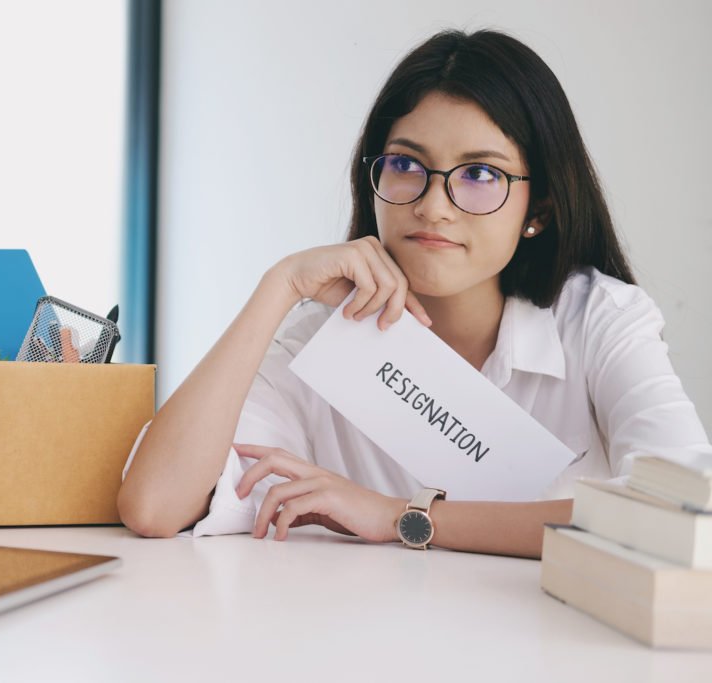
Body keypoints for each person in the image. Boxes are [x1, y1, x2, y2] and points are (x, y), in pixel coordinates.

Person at [117, 29, 712, 558]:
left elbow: (683, 521)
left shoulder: (599, 319)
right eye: (406, 164)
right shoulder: (320, 338)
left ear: (541, 209)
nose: (433, 206)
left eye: (480, 174)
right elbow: (154, 506)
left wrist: (400, 516)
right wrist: (279, 286)